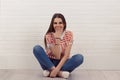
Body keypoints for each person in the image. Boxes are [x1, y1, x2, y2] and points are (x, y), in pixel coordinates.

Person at [33, 13, 84, 79]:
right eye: (55, 23)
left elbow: (66, 55)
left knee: (79, 58)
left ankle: (50, 72)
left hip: (63, 62)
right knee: (36, 48)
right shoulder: (49, 35)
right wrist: (57, 38)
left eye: (60, 23)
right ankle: (60, 73)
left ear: (64, 24)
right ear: (52, 24)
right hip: (49, 62)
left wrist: (56, 70)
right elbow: (57, 56)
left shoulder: (69, 34)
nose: (58, 25)